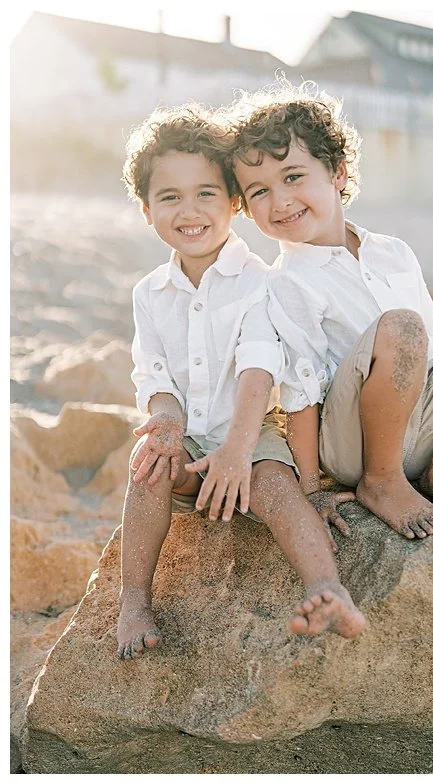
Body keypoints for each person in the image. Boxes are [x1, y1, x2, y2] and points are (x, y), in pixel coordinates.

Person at [227, 81, 433, 540]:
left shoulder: (392, 252)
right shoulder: (286, 281)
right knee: (401, 329)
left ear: (338, 173)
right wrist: (311, 490)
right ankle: (382, 483)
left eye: (293, 177)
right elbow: (301, 392)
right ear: (247, 209)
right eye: (259, 192)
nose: (280, 201)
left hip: (422, 422)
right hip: (354, 443)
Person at [118, 104, 365, 660]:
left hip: (249, 435)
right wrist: (166, 423)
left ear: (234, 201)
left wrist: (235, 453)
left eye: (206, 193)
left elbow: (259, 370)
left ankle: (327, 589)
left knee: (276, 488)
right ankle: (134, 600)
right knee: (148, 470)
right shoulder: (149, 294)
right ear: (145, 208)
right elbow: (154, 375)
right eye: (170, 197)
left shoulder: (260, 282)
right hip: (190, 438)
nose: (190, 211)